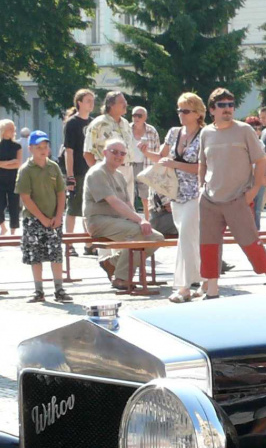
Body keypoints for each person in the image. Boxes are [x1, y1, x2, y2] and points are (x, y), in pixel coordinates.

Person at [199, 87, 266, 292]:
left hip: (238, 199)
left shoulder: (245, 130)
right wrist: (201, 187)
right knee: (208, 245)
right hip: (210, 200)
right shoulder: (206, 132)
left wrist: (253, 191)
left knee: (250, 242)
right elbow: (202, 163)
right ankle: (212, 289)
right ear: (212, 109)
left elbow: (260, 160)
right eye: (222, 105)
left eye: (231, 105)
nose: (228, 109)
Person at [83, 138, 153, 283]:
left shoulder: (119, 175)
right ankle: (121, 278)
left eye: (122, 153)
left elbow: (127, 204)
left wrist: (139, 221)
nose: (118, 156)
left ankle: (112, 263)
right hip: (98, 221)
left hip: (119, 221)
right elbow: (114, 202)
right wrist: (140, 220)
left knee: (155, 237)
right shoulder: (97, 172)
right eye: (114, 152)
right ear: (104, 153)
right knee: (141, 234)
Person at [162, 93, 207, 302]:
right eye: (179, 110)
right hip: (176, 194)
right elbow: (162, 159)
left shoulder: (205, 134)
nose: (181, 114)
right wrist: (145, 153)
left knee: (185, 238)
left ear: (198, 113)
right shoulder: (174, 133)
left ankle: (184, 287)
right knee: (191, 239)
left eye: (186, 110)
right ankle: (205, 281)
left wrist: (175, 164)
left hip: (196, 193)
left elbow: (202, 167)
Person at [15, 132, 69, 303]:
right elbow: (25, 197)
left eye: (45, 147)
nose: (43, 150)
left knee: (56, 254)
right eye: (38, 147)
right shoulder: (26, 169)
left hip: (54, 219)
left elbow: (61, 193)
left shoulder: (54, 167)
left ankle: (59, 289)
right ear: (30, 148)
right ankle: (38, 290)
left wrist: (58, 216)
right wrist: (42, 218)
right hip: (33, 219)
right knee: (35, 255)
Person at [61, 89, 95, 236]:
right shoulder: (72, 123)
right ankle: (69, 242)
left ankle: (89, 242)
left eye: (93, 101)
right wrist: (70, 176)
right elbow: (69, 151)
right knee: (73, 208)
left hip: (91, 170)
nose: (91, 104)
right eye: (88, 101)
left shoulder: (94, 122)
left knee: (89, 208)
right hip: (77, 171)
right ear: (79, 103)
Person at [0, 119, 22, 237]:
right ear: (3, 130)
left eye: (13, 129)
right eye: (10, 129)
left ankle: (13, 231)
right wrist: (9, 162)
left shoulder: (17, 146)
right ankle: (3, 227)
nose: (13, 131)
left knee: (14, 206)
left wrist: (1, 164)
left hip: (13, 179)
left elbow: (17, 164)